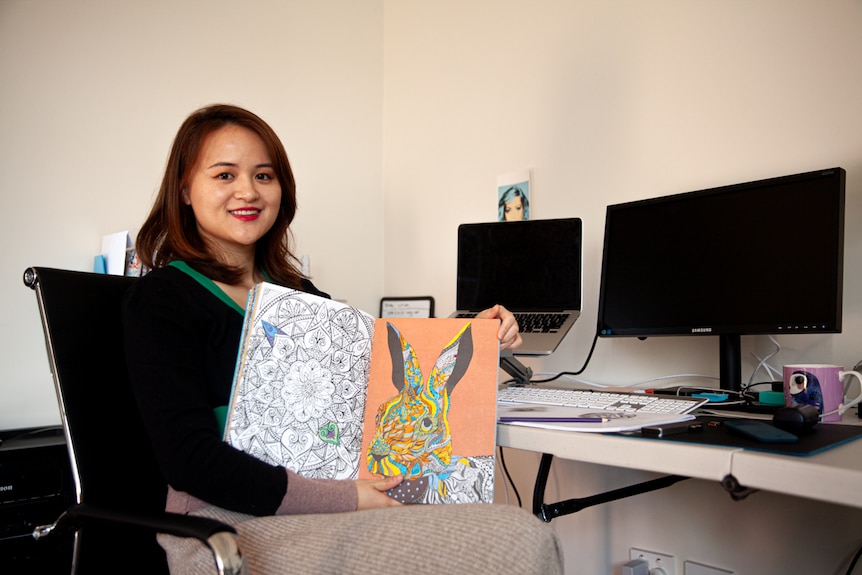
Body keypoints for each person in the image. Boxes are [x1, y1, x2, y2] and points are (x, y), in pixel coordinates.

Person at [123, 104, 563, 574]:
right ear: (186, 190)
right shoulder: (161, 299)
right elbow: (190, 462)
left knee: (510, 532)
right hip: (222, 525)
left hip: (331, 502)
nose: (248, 191)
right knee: (516, 539)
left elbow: (375, 378)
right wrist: (347, 496)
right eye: (225, 175)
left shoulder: (300, 296)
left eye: (264, 176)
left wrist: (482, 333)